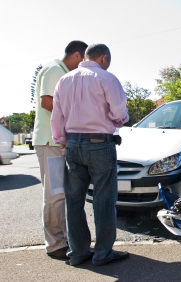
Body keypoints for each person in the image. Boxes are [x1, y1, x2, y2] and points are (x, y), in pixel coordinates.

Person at [51, 43, 130, 266]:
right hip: (100, 145)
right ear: (103, 58)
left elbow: (56, 117)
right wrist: (119, 120)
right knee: (103, 200)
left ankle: (78, 253)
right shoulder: (106, 78)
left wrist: (62, 141)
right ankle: (103, 253)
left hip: (73, 145)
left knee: (74, 201)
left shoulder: (64, 80)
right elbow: (118, 113)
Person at [32, 40, 88, 259]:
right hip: (49, 141)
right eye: (83, 60)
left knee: (60, 194)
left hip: (58, 142)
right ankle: (55, 245)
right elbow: (47, 102)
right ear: (77, 56)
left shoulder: (62, 71)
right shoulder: (55, 69)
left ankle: (62, 240)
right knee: (54, 195)